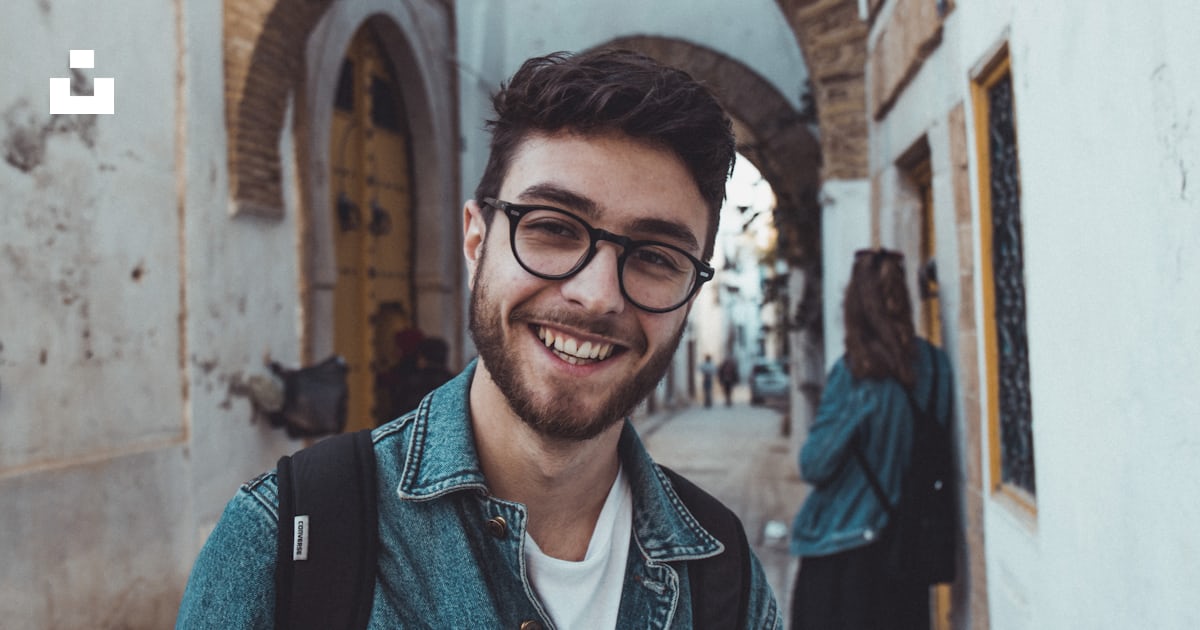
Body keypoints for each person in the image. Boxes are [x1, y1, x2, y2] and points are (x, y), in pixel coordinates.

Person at [178, 49, 783, 628]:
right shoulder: (285, 539)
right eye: (552, 227)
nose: (598, 295)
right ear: (476, 242)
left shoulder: (723, 577)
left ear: (693, 289)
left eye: (656, 256)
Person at [788, 248, 953, 630]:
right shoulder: (938, 368)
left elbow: (814, 465)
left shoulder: (854, 374)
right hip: (907, 553)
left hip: (844, 555)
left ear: (854, 307)